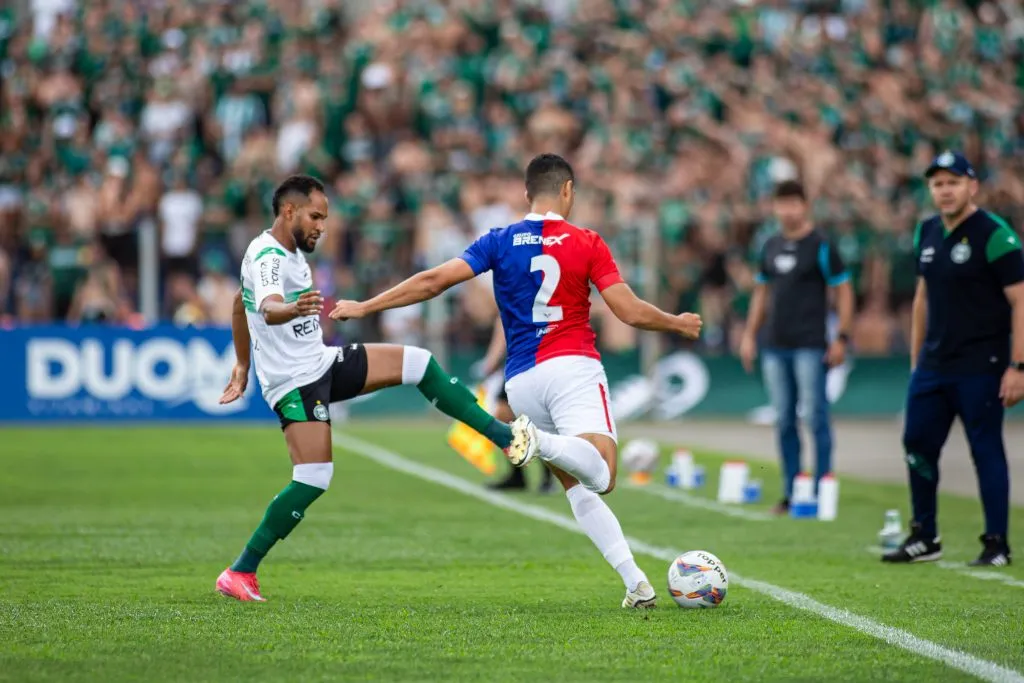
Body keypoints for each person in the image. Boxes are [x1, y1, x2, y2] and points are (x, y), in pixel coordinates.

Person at [330, 154, 703, 608]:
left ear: (527, 194)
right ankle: (536, 442)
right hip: (572, 367)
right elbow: (628, 310)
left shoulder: (500, 240)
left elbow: (433, 281)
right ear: (568, 190)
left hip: (522, 381)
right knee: (602, 476)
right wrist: (677, 323)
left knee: (575, 487)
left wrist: (366, 306)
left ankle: (635, 583)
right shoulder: (586, 241)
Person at [214, 175, 538, 602]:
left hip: (321, 362)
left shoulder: (287, 253)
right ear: (288, 211)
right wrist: (290, 309)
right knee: (313, 477)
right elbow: (268, 306)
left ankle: (504, 437)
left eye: (325, 219)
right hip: (296, 382)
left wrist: (242, 364)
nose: (322, 227)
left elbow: (242, 302)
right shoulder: (270, 257)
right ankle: (240, 572)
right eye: (315, 216)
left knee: (420, 364)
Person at [883, 151, 1024, 567]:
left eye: (953, 182)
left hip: (983, 364)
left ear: (972, 186)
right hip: (932, 366)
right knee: (917, 445)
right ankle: (925, 535)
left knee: (985, 450)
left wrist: (1019, 366)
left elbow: (1020, 301)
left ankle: (996, 543)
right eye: (938, 184)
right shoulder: (925, 231)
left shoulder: (995, 234)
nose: (945, 191)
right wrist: (915, 360)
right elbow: (922, 298)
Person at [739, 180, 855, 515]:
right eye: (781, 204)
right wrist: (750, 335)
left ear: (805, 206)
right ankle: (793, 491)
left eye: (793, 203)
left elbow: (844, 291)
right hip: (776, 345)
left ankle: (822, 487)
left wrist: (842, 336)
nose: (787, 210)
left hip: (810, 344)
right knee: (785, 420)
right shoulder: (770, 245)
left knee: (816, 416)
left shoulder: (821, 245)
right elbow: (761, 293)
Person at [474, 318, 555, 493]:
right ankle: (518, 476)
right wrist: (492, 360)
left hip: (536, 362)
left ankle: (548, 477)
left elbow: (501, 330)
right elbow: (502, 328)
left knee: (534, 420)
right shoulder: (512, 299)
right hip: (519, 363)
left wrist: (492, 359)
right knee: (504, 417)